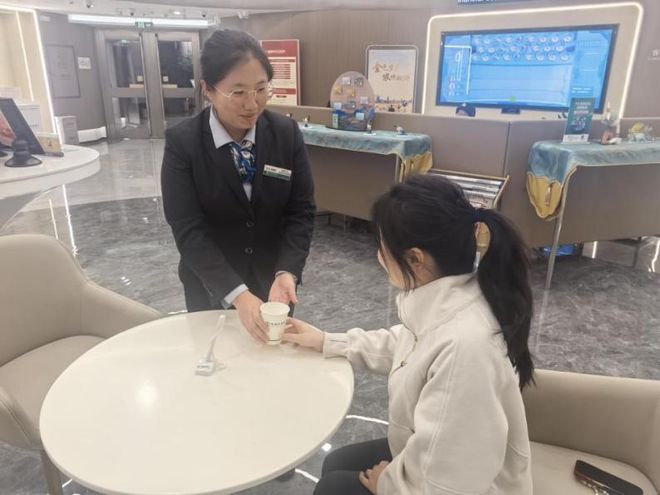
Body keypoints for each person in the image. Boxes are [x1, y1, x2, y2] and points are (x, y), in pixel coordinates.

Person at [284, 174, 534, 495]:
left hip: (465, 485)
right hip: (433, 453)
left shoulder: (464, 347)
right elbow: (405, 344)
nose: (379, 256)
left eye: (382, 247)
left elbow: (451, 480)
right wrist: (327, 341)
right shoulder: (453, 299)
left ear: (415, 259)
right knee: (337, 461)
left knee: (334, 486)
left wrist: (388, 484)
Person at [162, 29, 316, 343]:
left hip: (273, 286)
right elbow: (188, 229)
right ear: (208, 89)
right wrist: (238, 295)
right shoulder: (183, 143)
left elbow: (301, 211)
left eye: (261, 89)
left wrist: (287, 271)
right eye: (238, 92)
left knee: (270, 360)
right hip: (211, 285)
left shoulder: (285, 134)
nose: (252, 103)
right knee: (214, 358)